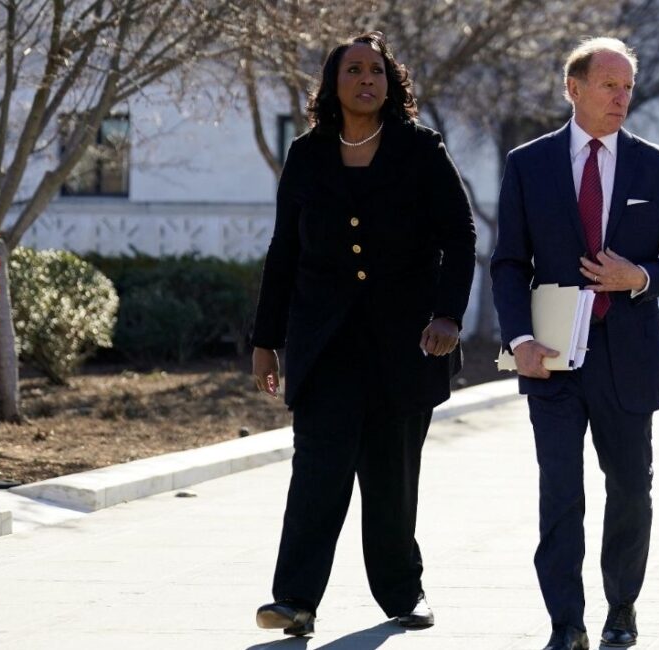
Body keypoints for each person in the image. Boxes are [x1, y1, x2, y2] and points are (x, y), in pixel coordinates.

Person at [249, 31, 476, 637]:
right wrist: (266, 339)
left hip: (407, 345)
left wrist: (448, 316)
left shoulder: (422, 150)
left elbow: (461, 235)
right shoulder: (306, 154)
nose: (366, 80)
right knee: (317, 475)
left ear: (391, 83)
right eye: (353, 70)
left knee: (391, 480)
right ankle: (294, 599)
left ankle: (404, 593)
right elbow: (284, 249)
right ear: (334, 83)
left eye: (377, 70)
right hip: (325, 345)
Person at [491, 37, 659, 650]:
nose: (621, 97)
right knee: (560, 491)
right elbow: (508, 263)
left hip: (628, 356)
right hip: (552, 357)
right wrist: (520, 337)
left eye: (627, 87)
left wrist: (639, 277)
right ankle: (566, 622)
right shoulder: (527, 165)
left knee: (630, 486)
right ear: (574, 88)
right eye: (609, 85)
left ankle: (621, 607)